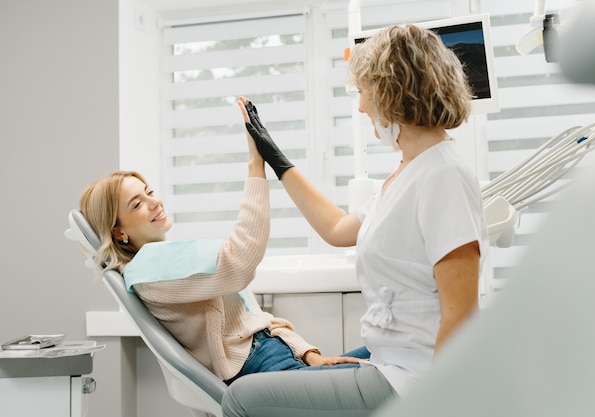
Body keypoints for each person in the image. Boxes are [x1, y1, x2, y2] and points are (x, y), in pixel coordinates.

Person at [222, 23, 489, 416]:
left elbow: (461, 315)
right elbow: (336, 229)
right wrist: (271, 154)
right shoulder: (409, 172)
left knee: (240, 400)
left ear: (393, 91)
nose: (361, 106)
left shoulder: (443, 176)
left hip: (413, 381)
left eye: (364, 91)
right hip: (392, 362)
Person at [78, 99, 364, 385]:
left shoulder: (172, 261)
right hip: (259, 367)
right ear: (118, 232)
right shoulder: (147, 269)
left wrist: (309, 355)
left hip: (281, 356)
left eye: (150, 191)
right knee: (394, 370)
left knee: (396, 354)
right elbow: (239, 260)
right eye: (138, 204)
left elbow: (256, 319)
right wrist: (256, 164)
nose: (155, 202)